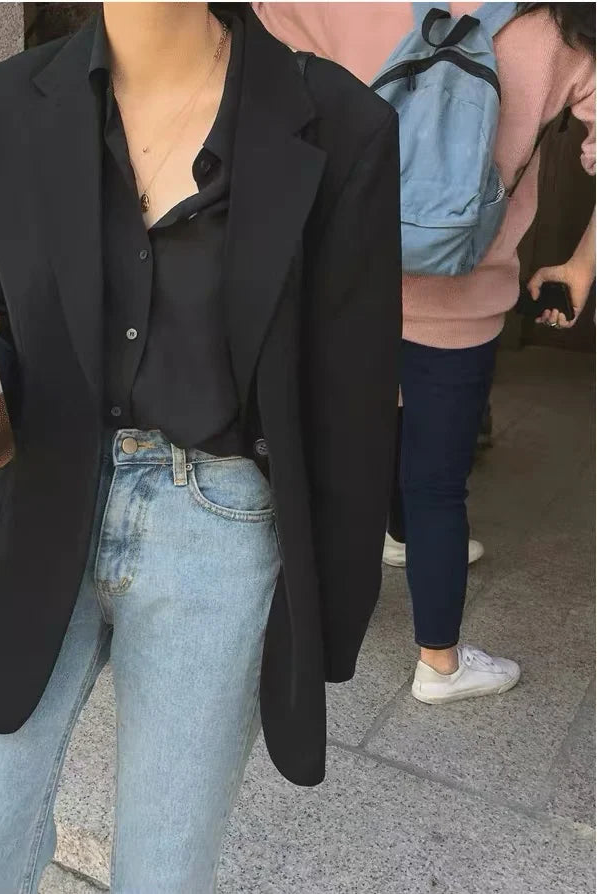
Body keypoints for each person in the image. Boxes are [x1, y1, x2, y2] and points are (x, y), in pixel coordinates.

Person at [0, 3, 401, 891]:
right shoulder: (3, 104)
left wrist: (329, 616)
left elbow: (352, 393)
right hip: (41, 505)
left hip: (217, 530)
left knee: (165, 872)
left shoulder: (344, 123)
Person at [254, 1, 595, 705]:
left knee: (333, 458)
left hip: (345, 283)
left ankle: (306, 629)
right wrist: (582, 264)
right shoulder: (562, 28)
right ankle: (439, 663)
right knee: (438, 485)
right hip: (464, 298)